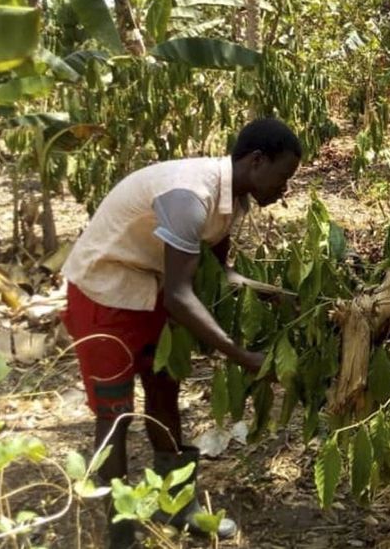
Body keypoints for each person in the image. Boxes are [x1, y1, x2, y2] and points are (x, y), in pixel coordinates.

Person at [60, 118, 301, 548]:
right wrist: (241, 355)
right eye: (282, 178)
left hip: (151, 291)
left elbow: (220, 275)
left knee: (164, 396)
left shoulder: (231, 200)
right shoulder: (192, 195)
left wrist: (281, 296)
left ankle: (178, 505)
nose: (284, 190)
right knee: (115, 414)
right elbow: (180, 295)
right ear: (256, 161)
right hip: (104, 292)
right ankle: (120, 529)